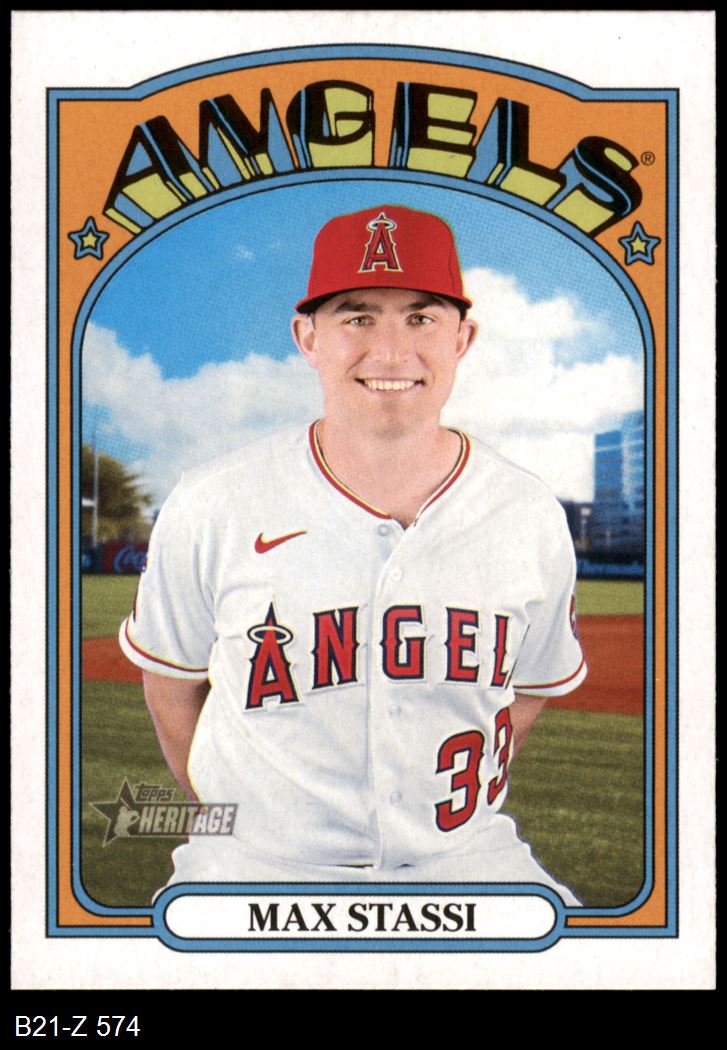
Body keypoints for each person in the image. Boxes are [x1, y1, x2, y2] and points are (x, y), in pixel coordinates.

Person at [119, 204, 587, 902]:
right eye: (358, 318)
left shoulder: (525, 510)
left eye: (421, 318)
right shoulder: (214, 501)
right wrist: (248, 833)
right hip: (257, 868)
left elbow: (531, 686)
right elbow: (170, 687)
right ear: (307, 337)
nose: (391, 353)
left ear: (463, 338)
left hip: (466, 859)